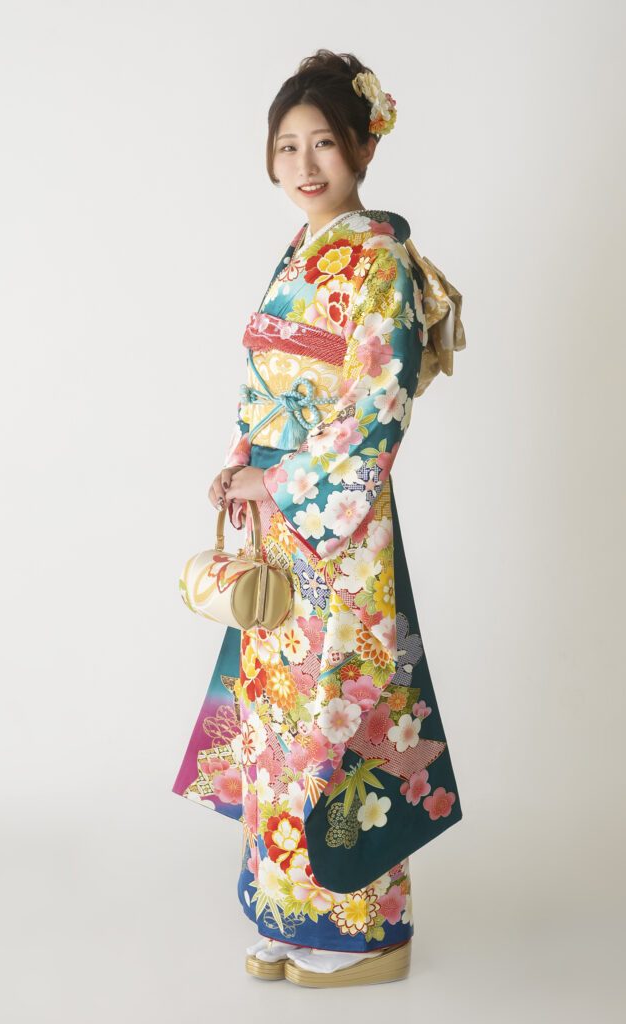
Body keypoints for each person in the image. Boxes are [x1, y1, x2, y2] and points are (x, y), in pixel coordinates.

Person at [172, 49, 467, 988]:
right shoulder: (302, 253)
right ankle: (282, 909)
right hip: (278, 518)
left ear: (362, 149)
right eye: (287, 146)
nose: (304, 165)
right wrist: (239, 468)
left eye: (324, 144)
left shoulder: (376, 259)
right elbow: (268, 387)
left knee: (335, 712)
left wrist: (283, 480)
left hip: (337, 527)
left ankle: (363, 933)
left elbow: (375, 408)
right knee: (274, 716)